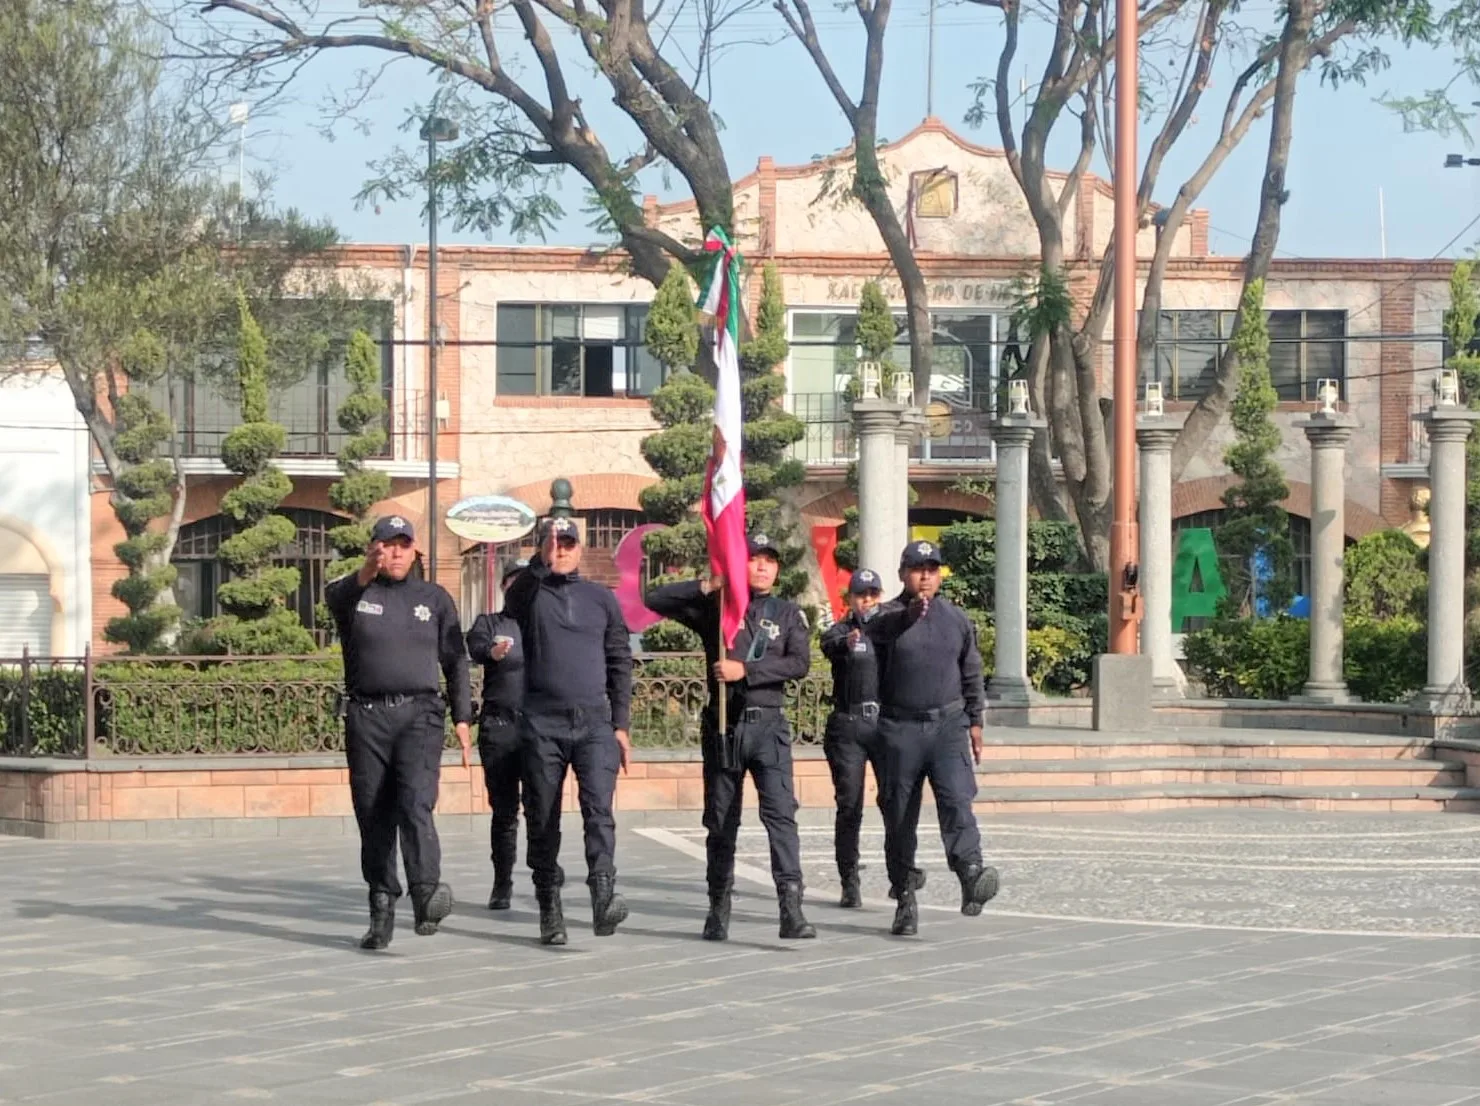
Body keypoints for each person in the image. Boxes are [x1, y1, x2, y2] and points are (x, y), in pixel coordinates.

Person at [643, 532, 816, 942]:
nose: (762, 566)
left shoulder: (787, 613)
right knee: (721, 821)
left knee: (780, 817)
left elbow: (799, 663)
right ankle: (718, 907)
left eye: (769, 560)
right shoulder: (717, 609)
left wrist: (747, 671)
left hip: (768, 726)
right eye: (754, 559)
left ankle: (791, 908)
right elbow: (656, 600)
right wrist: (708, 586)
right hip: (724, 726)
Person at [323, 515, 472, 951]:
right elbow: (338, 595)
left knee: (415, 802)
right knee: (373, 815)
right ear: (373, 549)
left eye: (403, 545)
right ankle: (382, 905)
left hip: (419, 715)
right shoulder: (353, 594)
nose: (396, 553)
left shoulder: (434, 598)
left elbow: (456, 661)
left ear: (415, 551)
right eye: (387, 545)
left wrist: (463, 717)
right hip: (367, 716)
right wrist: (366, 572)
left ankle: (426, 894)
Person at [502, 517, 633, 946]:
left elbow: (618, 660)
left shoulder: (600, 598)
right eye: (553, 544)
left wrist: (621, 724)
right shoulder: (529, 594)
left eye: (567, 544)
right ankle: (549, 907)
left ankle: (602, 893)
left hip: (594, 722)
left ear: (580, 550)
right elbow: (515, 598)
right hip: (542, 721)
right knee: (543, 817)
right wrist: (537, 565)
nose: (560, 551)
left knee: (599, 811)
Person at [863, 539, 999, 937]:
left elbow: (971, 670)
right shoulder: (885, 615)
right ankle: (905, 894)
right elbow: (878, 631)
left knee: (958, 800)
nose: (926, 576)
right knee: (899, 816)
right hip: (899, 729)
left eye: (933, 569)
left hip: (948, 726)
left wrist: (975, 721)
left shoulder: (955, 619)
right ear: (903, 574)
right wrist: (909, 616)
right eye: (918, 569)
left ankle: (970, 871)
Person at [817, 568, 926, 908]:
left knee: (895, 802)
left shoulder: (888, 628)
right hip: (848, 725)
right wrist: (848, 642)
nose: (867, 601)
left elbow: (908, 619)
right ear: (849, 599)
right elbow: (829, 644)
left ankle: (901, 873)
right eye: (860, 595)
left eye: (872, 594)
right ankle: (849, 879)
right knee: (849, 805)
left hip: (883, 723)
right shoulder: (840, 632)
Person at [466, 560, 529, 911]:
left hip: (538, 729)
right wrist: (492, 652)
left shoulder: (543, 625)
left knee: (540, 807)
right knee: (504, 811)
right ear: (505, 586)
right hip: (500, 728)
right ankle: (502, 881)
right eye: (514, 582)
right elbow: (475, 647)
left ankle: (543, 868)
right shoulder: (490, 623)